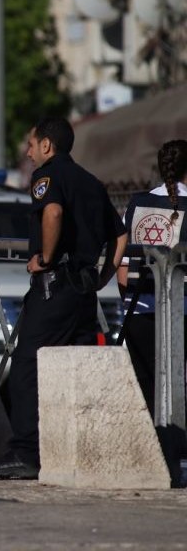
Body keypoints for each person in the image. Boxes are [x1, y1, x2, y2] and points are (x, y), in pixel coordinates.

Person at [0, 117, 126, 480]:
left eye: (31, 145)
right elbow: (120, 235)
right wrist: (104, 276)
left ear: (47, 145)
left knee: (26, 366)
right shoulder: (91, 182)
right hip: (83, 291)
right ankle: (85, 449)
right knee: (76, 367)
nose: (28, 152)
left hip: (54, 286)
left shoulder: (47, 176)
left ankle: (26, 453)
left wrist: (45, 257)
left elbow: (53, 212)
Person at [117, 140, 187, 418]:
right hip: (181, 311)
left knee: (148, 393)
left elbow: (123, 266)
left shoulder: (137, 204)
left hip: (140, 310)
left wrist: (129, 305)